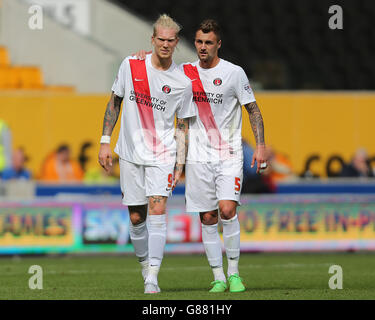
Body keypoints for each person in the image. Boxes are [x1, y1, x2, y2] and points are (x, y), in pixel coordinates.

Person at [136, 19, 267, 293]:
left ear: (218, 43)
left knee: (228, 210)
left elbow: (253, 110)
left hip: (228, 153)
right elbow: (157, 70)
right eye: (199, 42)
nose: (203, 47)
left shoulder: (234, 73)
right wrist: (142, 57)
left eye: (208, 42)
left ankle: (234, 273)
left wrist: (260, 145)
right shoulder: (185, 73)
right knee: (207, 217)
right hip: (197, 157)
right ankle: (218, 276)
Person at [98, 14, 196, 294]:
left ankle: (152, 276)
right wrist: (105, 140)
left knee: (157, 209)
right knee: (136, 218)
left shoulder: (182, 82)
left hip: (162, 154)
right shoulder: (131, 65)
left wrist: (180, 161)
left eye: (170, 40)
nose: (165, 45)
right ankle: (145, 266)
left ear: (176, 43)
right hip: (129, 152)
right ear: (152, 40)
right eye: (160, 39)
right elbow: (114, 102)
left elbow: (183, 124)